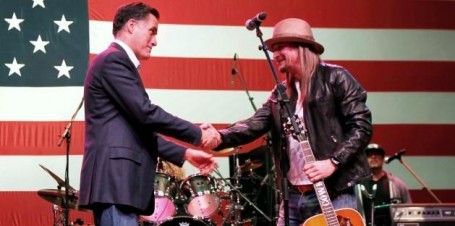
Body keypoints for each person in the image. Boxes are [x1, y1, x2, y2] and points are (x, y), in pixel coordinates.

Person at [208, 18, 373, 226]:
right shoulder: (280, 94)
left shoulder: (336, 78)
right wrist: (217, 136)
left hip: (334, 192)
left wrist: (333, 162)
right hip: (294, 196)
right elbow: (253, 125)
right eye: (273, 49)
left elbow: (362, 126)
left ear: (300, 48)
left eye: (280, 47)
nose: (275, 54)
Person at [78, 2, 220, 226]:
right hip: (116, 184)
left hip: (120, 187)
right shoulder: (114, 60)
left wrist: (185, 153)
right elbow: (146, 113)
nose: (155, 40)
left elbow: (138, 129)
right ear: (132, 26)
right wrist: (197, 133)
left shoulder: (115, 61)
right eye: (152, 31)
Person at [357, 143, 412, 226]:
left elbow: (409, 210)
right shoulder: (357, 185)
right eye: (369, 155)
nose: (373, 157)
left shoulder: (398, 184)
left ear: (383, 159)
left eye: (377, 154)